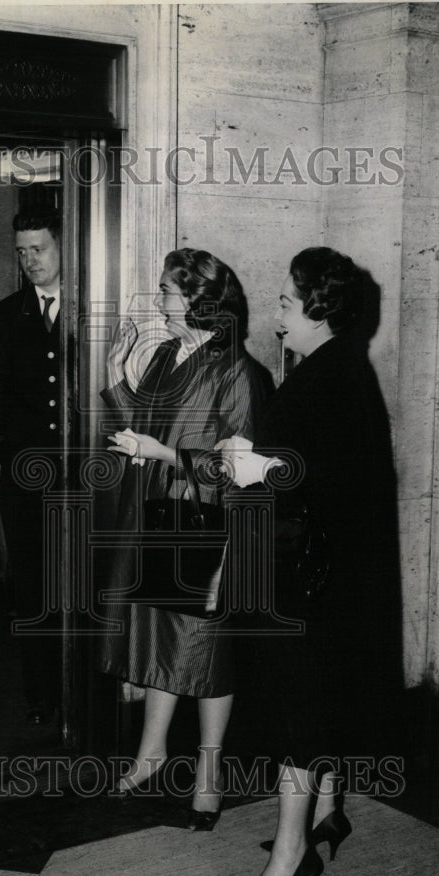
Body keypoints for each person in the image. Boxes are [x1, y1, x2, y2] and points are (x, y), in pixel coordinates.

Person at [218, 247, 400, 876]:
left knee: (301, 709)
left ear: (320, 309)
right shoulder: (338, 366)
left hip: (311, 578)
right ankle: (326, 811)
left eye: (288, 304)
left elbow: (323, 480)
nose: (277, 316)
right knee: (317, 701)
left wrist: (255, 469)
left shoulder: (330, 376)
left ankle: (292, 856)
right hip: (327, 574)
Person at [103, 249, 272, 826]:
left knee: (207, 651)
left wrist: (168, 454)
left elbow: (236, 469)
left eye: (168, 293)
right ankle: (152, 753)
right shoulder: (169, 354)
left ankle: (209, 772)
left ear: (200, 300)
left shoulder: (239, 371)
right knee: (159, 637)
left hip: (208, 525)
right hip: (159, 515)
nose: (160, 302)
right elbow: (142, 427)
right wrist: (115, 382)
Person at [0, 208, 63, 725]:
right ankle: (42, 695)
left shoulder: (94, 304)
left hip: (84, 474)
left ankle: (84, 688)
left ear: (63, 247)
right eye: (21, 251)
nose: (29, 260)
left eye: (39, 248)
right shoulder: (6, 312)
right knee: (32, 589)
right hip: (24, 474)